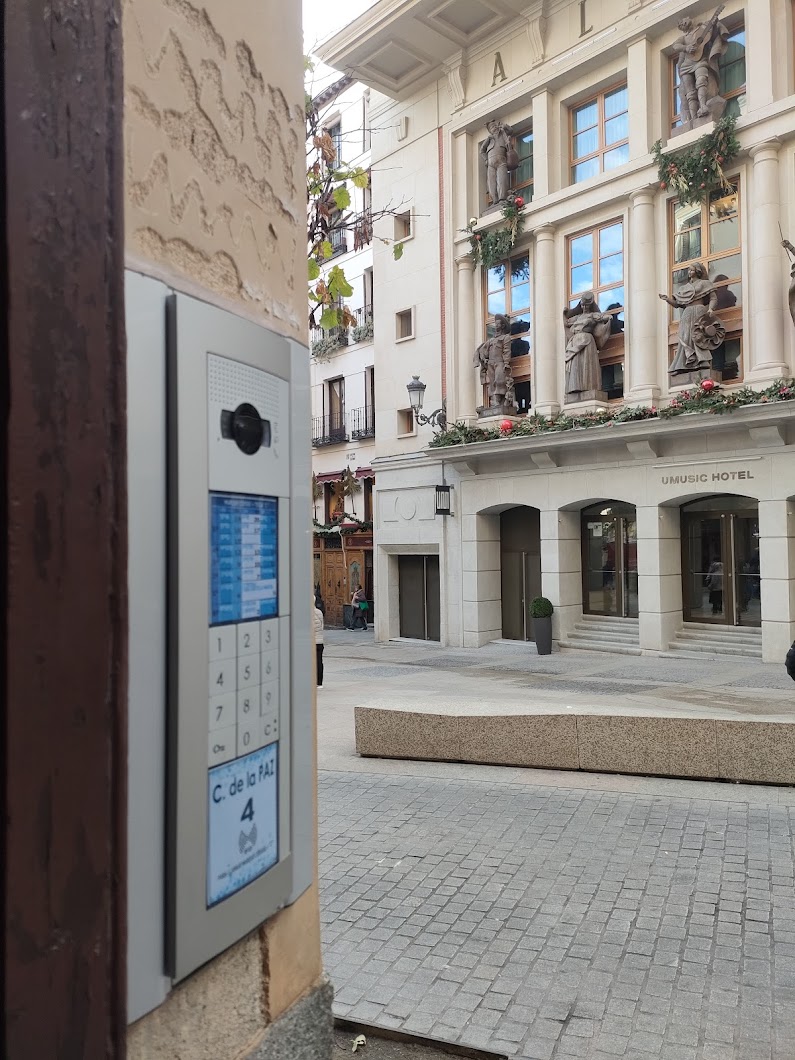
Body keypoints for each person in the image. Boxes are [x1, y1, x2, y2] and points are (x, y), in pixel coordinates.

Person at [659, 263, 725, 377]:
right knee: (684, 336)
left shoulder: (705, 283)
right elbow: (677, 304)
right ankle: (683, 364)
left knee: (698, 335)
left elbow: (713, 298)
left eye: (692, 270)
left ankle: (702, 361)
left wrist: (710, 308)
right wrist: (667, 299)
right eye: (689, 270)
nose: (689, 272)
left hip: (699, 310)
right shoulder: (684, 288)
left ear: (698, 271)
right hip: (687, 312)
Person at [672, 10, 729, 124]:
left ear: (688, 18)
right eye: (680, 25)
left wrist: (713, 24)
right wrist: (686, 48)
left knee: (701, 81)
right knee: (690, 92)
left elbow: (711, 34)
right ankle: (693, 117)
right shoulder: (684, 38)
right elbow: (675, 46)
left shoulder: (702, 28)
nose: (682, 24)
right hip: (686, 65)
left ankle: (703, 106)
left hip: (700, 61)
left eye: (683, 21)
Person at [562, 293, 612, 402]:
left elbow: (604, 317)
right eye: (582, 305)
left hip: (587, 340)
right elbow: (566, 322)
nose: (584, 307)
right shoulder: (577, 317)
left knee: (587, 365)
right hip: (575, 342)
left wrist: (609, 317)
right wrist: (564, 313)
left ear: (590, 305)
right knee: (576, 366)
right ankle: (575, 387)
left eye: (586, 305)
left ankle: (588, 387)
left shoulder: (593, 315)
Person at [474, 313, 514, 409]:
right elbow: (483, 350)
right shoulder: (491, 340)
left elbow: (507, 351)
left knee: (499, 380)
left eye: (498, 324)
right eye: (495, 324)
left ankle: (501, 400)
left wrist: (506, 363)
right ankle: (494, 401)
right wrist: (484, 359)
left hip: (500, 362)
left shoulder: (505, 338)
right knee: (492, 382)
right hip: (490, 363)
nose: (496, 326)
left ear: (503, 326)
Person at [479, 119, 513, 205]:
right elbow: (482, 150)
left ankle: (502, 198)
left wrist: (504, 126)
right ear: (490, 131)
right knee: (491, 182)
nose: (494, 128)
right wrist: (486, 159)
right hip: (490, 163)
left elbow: (510, 131)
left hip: (501, 161)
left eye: (495, 126)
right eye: (492, 127)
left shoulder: (502, 133)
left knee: (502, 180)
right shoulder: (489, 139)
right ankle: (494, 199)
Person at [313, 595, 325, 687]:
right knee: (319, 662)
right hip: (320, 641)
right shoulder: (319, 612)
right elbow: (321, 626)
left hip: (312, 642)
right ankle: (319, 682)